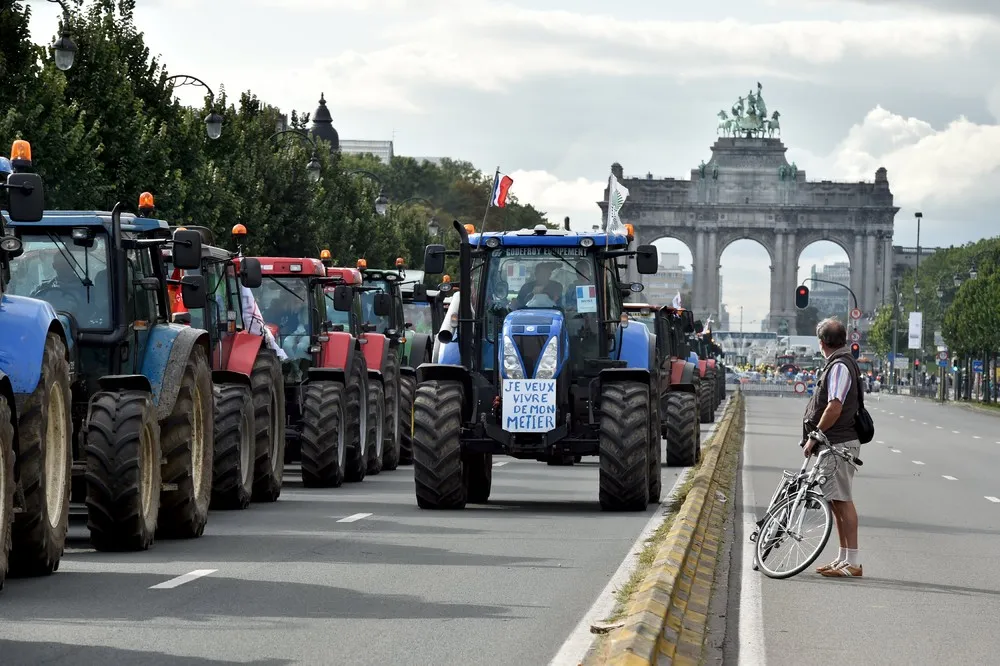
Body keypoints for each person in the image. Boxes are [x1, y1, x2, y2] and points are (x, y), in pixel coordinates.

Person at [803, 318, 864, 578]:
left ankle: (853, 561)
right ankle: (843, 558)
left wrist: (815, 435)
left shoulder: (839, 366)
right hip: (835, 442)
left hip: (838, 442)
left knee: (843, 500)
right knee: (836, 502)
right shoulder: (840, 362)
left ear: (822, 342)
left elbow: (835, 405)